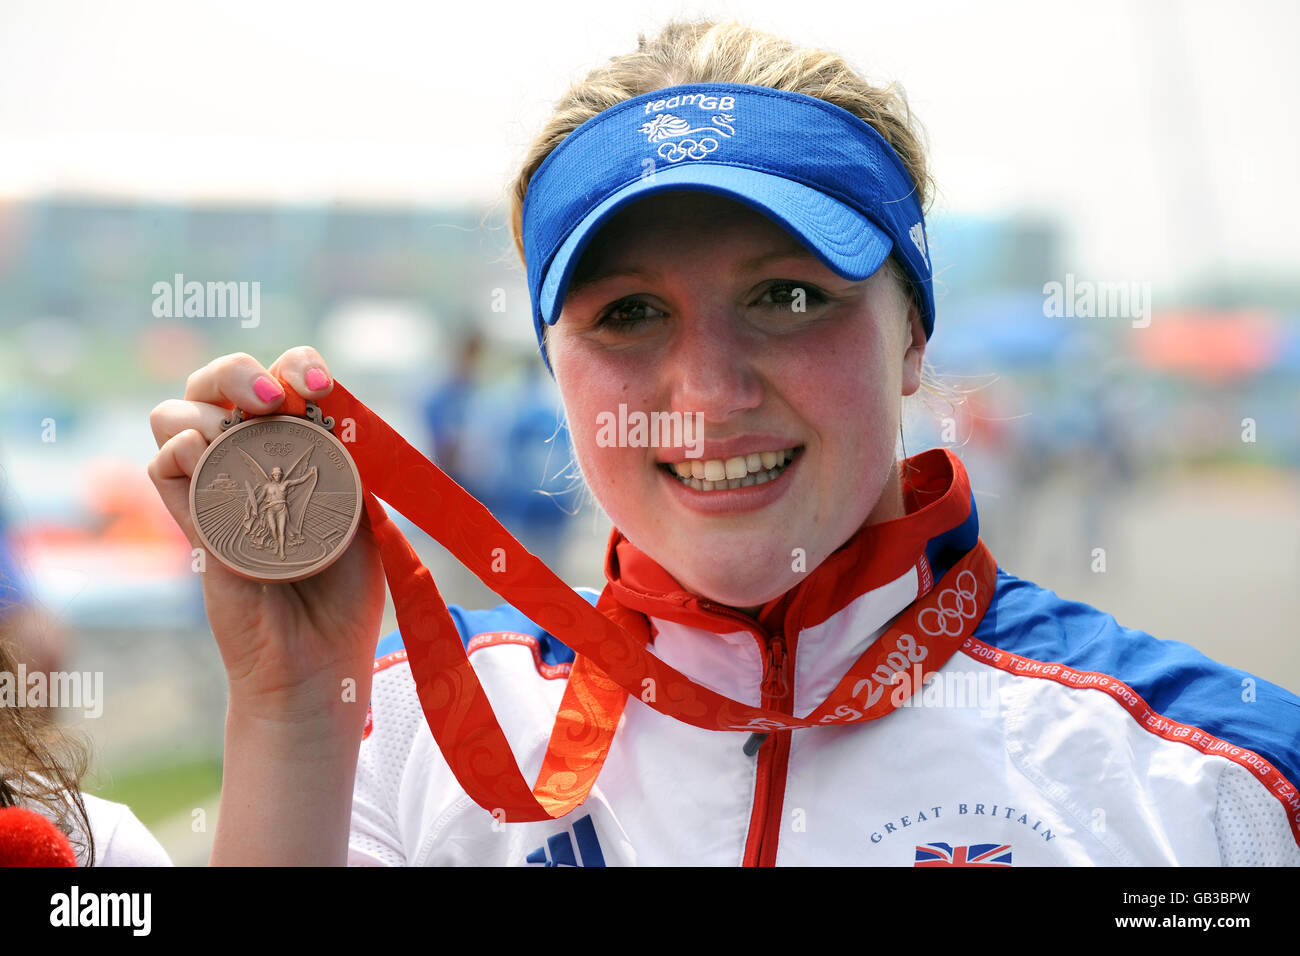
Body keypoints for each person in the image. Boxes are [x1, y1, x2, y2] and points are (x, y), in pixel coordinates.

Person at [146, 19, 1300, 866]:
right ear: (555, 366)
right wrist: (294, 712)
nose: (704, 391)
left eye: (789, 297)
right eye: (629, 314)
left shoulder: (1213, 780)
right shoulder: (395, 731)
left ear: (911, 339)